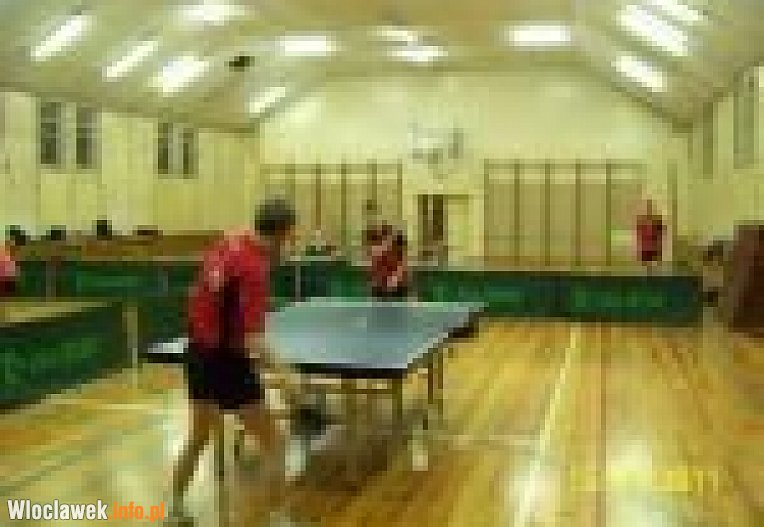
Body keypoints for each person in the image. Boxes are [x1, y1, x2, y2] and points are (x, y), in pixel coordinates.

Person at [165, 198, 299, 526]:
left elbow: (206, 294)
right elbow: (255, 341)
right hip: (227, 361)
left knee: (198, 437)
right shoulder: (255, 270)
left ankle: (175, 510)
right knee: (275, 443)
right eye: (292, 236)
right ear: (283, 234)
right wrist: (287, 376)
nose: (292, 244)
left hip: (198, 353)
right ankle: (278, 520)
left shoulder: (228, 243)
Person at [369, 225, 410, 299]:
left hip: (394, 291)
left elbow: (400, 274)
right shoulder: (379, 258)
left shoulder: (396, 258)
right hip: (383, 291)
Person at [636, 199, 666, 270]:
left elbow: (659, 232)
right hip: (648, 246)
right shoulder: (643, 222)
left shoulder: (654, 222)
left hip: (652, 246)